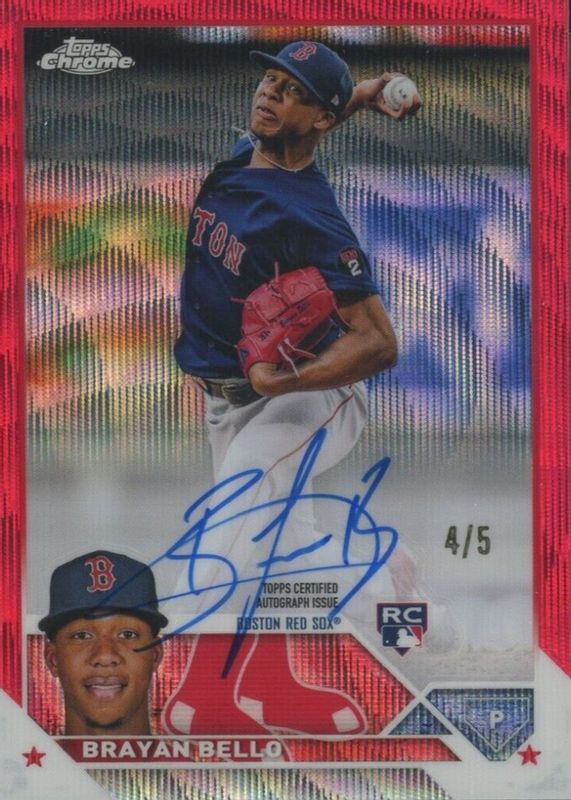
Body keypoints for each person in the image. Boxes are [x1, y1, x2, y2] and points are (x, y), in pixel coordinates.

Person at [164, 41, 420, 740]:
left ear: (319, 119)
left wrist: (286, 379)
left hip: (308, 397)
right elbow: (304, 129)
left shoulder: (315, 216)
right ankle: (357, 611)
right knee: (282, 554)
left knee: (232, 512)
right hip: (231, 397)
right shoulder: (245, 154)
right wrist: (361, 92)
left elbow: (378, 342)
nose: (270, 94)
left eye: (293, 90)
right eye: (271, 80)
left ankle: (188, 680)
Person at [39, 550, 168, 736]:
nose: (105, 656)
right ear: (53, 660)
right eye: (82, 636)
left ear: (155, 655)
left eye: (127, 634)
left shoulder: (193, 757)